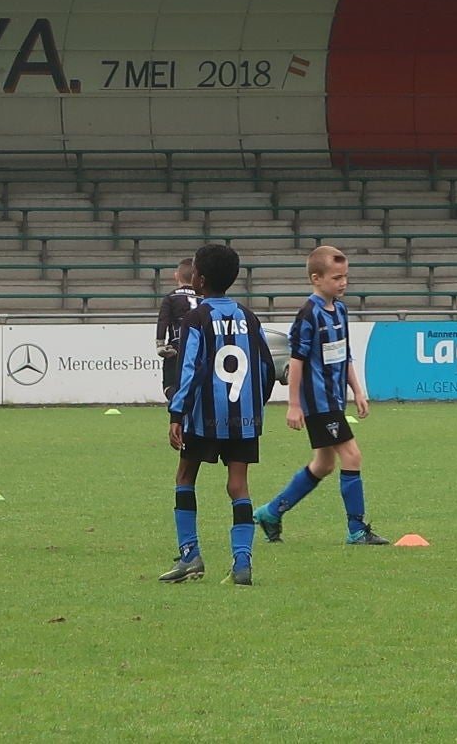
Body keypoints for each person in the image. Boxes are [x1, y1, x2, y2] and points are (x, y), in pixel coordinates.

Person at [252, 246, 387, 546]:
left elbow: (344, 354)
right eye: (336, 277)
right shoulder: (308, 314)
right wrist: (294, 404)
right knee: (352, 455)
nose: (343, 282)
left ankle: (270, 513)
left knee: (324, 464)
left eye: (345, 276)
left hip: (335, 399)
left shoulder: (340, 309)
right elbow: (296, 361)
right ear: (316, 278)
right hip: (319, 403)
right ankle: (356, 530)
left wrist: (357, 390)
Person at [159, 243, 274, 586]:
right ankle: (242, 563)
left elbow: (190, 369)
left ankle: (190, 555)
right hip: (244, 418)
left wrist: (177, 414)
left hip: (204, 416)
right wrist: (256, 406)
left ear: (199, 279)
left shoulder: (196, 319)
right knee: (238, 485)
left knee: (185, 476)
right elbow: (267, 367)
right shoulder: (249, 317)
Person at [155, 257, 200, 400]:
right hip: (200, 347)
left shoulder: (171, 297)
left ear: (176, 276)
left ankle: (180, 408)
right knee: (198, 385)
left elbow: (163, 321)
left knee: (170, 385)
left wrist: (160, 344)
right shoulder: (203, 298)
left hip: (177, 347)